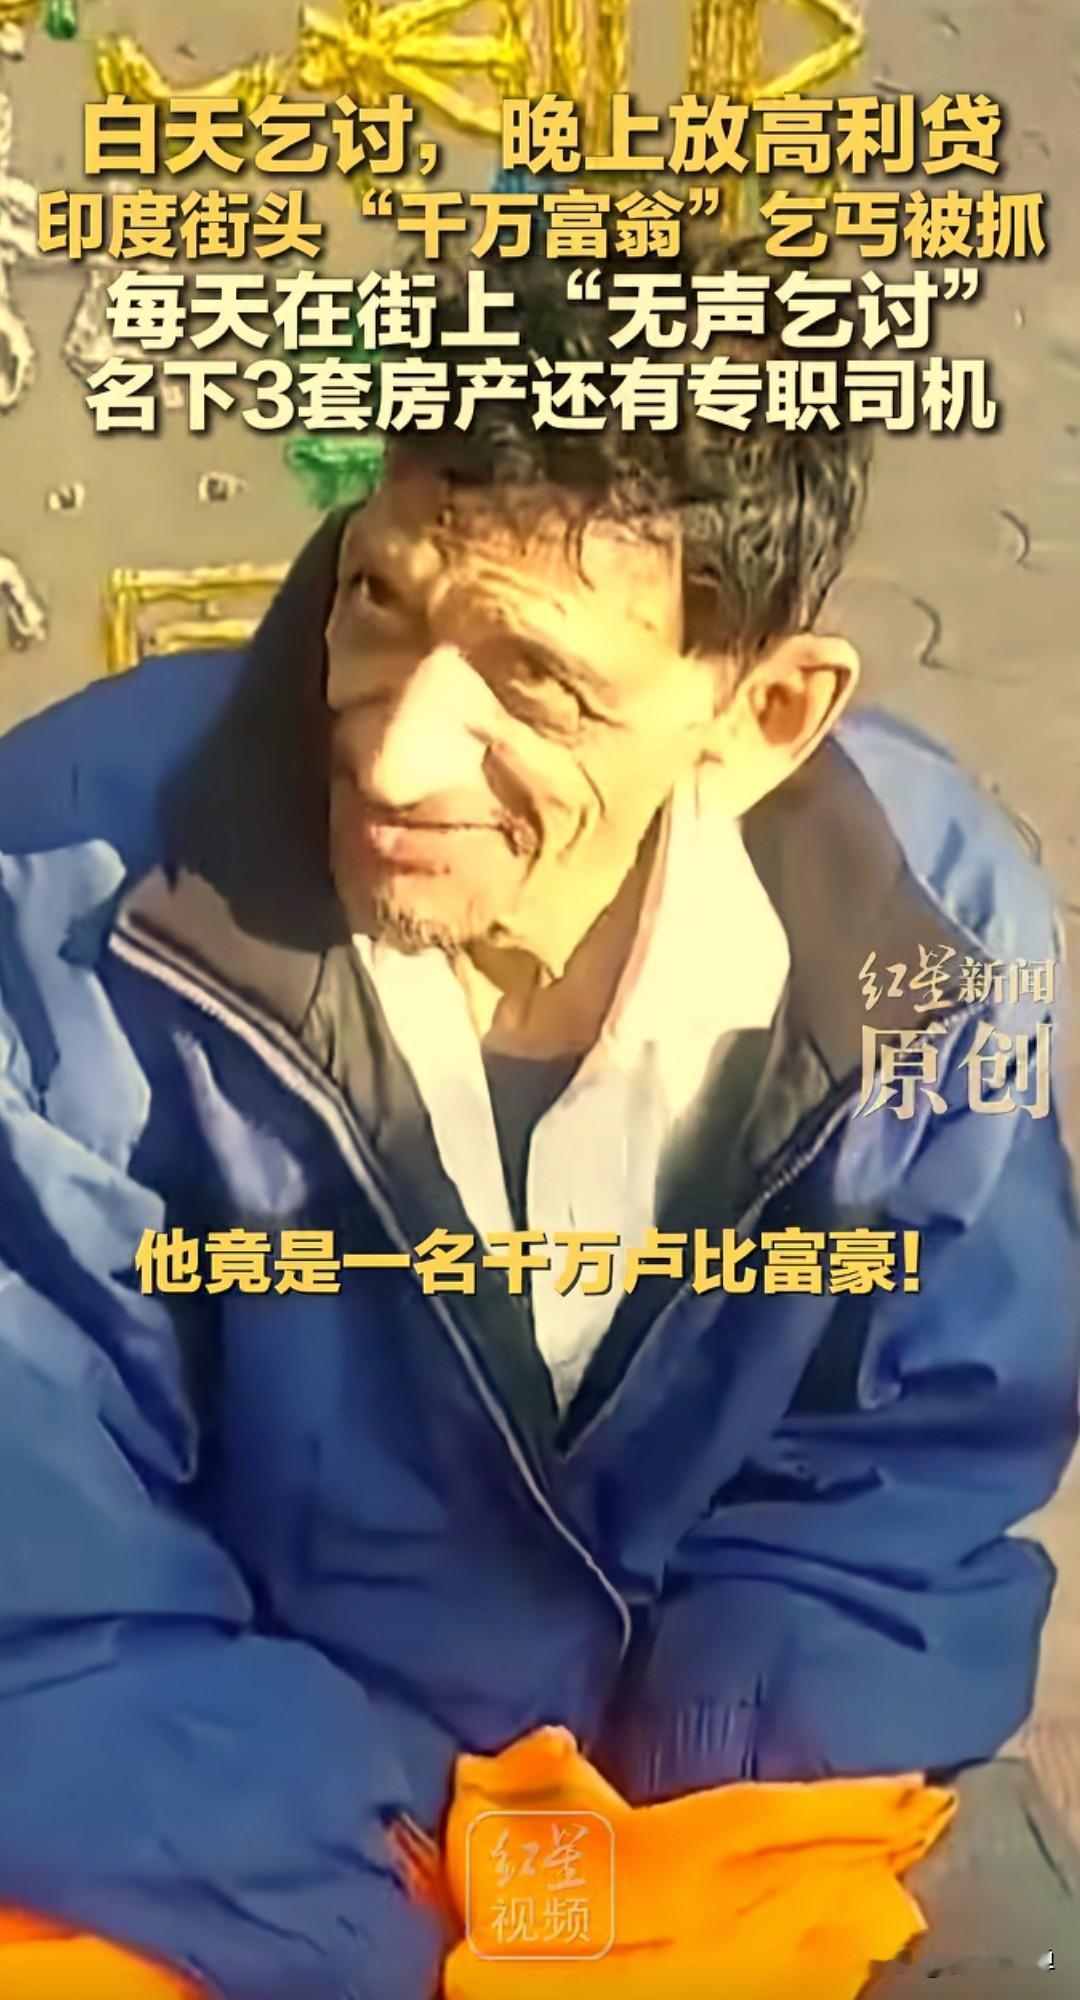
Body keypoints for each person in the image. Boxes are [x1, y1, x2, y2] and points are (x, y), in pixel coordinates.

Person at [0, 236, 1076, 2000]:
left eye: (537, 681)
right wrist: (398, 1911)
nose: (396, 753)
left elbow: (914, 1459)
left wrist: (683, 1840)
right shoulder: (57, 889)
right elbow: (42, 1584)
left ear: (767, 714)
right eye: (379, 601)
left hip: (696, 1803)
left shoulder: (933, 935)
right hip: (210, 1818)